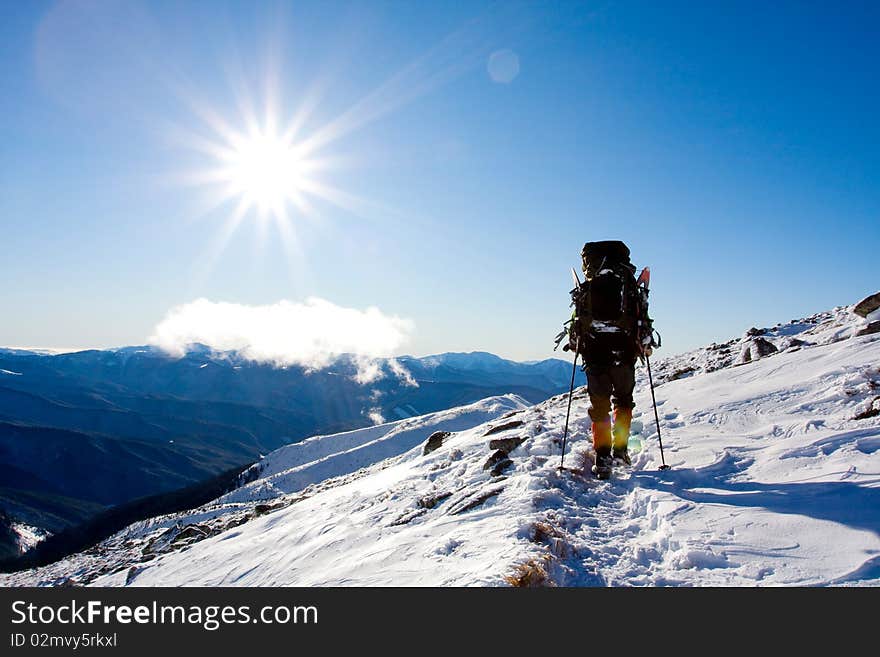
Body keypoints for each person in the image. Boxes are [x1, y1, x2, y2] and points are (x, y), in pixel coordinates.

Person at [560, 240, 655, 479]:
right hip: (624, 353)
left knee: (600, 406)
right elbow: (641, 318)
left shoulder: (588, 287)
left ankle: (602, 457)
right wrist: (644, 343)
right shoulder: (629, 286)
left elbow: (577, 321)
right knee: (623, 401)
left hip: (595, 353)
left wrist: (576, 342)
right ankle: (620, 451)